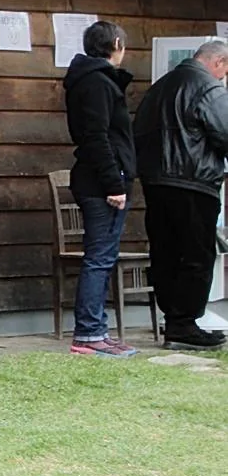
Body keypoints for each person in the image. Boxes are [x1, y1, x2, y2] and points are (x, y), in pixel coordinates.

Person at [133, 39, 228, 351]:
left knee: (166, 252)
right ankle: (184, 324)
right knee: (197, 254)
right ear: (219, 63)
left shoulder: (159, 88)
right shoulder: (208, 87)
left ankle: (174, 321)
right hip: (194, 180)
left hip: (156, 182)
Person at [62, 20, 139, 356]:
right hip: (102, 182)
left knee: (102, 257)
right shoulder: (97, 83)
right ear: (117, 43)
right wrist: (114, 182)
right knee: (99, 258)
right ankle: (90, 332)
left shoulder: (94, 80)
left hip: (99, 178)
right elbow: (97, 137)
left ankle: (95, 330)